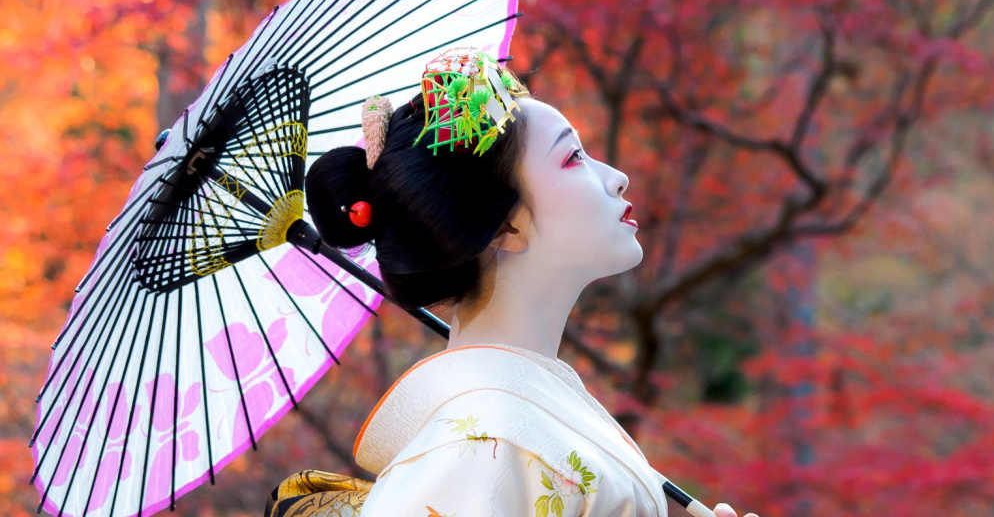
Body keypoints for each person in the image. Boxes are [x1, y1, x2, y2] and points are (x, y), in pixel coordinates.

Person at [265, 48, 758, 517]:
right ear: (507, 226)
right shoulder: (483, 442)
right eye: (573, 158)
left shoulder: (507, 421)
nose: (617, 178)